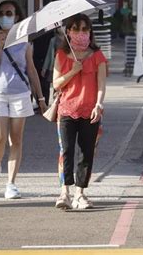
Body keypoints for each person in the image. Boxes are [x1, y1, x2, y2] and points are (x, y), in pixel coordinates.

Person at [0, 0, 47, 199]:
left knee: (16, 139)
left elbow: (31, 69)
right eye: (1, 13)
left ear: (16, 16)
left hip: (20, 93)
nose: (5, 16)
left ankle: (11, 184)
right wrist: (1, 44)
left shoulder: (24, 40)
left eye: (9, 13)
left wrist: (41, 98)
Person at [52, 13, 107, 210]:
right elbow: (56, 84)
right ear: (68, 32)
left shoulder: (98, 56)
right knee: (66, 151)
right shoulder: (61, 55)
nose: (81, 33)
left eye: (85, 29)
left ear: (90, 32)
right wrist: (73, 71)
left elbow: (101, 85)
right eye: (76, 29)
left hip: (90, 111)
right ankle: (64, 192)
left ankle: (80, 194)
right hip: (66, 111)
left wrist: (98, 105)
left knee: (87, 153)